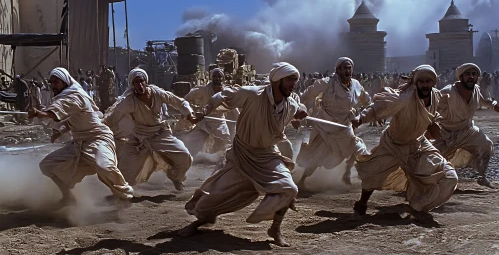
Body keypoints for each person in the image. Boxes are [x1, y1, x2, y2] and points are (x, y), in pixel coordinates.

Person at [179, 62, 307, 247]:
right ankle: (198, 222)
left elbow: (295, 111)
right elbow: (222, 95)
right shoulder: (253, 94)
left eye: (295, 80)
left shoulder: (291, 104)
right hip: (242, 155)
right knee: (212, 197)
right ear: (276, 80)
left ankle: (275, 228)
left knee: (288, 189)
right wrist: (205, 112)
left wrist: (299, 115)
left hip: (268, 156)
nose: (293, 84)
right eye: (289, 80)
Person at [352, 65, 458, 223]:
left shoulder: (436, 96)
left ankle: (417, 206)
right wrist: (361, 118)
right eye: (421, 81)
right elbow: (379, 106)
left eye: (428, 81)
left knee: (450, 177)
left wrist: (433, 124)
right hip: (393, 143)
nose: (424, 85)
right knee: (371, 175)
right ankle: (362, 203)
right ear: (416, 83)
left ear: (433, 83)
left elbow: (432, 115)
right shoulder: (404, 97)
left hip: (418, 144)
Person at [29, 67, 133, 205]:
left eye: (56, 82)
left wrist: (39, 113)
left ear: (65, 82)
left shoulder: (75, 96)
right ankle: (68, 197)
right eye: (51, 82)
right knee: (47, 165)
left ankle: (125, 195)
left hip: (99, 139)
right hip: (79, 143)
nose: (53, 86)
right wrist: (60, 132)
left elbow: (56, 113)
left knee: (104, 167)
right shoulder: (67, 96)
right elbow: (73, 119)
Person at [104, 68, 198, 191]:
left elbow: (179, 102)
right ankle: (120, 194)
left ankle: (175, 177)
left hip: (160, 135)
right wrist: (99, 128)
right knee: (125, 172)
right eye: (136, 82)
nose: (140, 85)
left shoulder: (157, 93)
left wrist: (190, 114)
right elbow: (112, 118)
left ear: (146, 81)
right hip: (139, 139)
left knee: (184, 157)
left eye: (141, 81)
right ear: (133, 85)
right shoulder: (128, 101)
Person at [295, 57, 370, 189]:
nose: (348, 70)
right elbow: (308, 94)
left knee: (356, 148)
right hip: (325, 126)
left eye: (350, 67)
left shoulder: (356, 85)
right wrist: (297, 108)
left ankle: (347, 173)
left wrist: (373, 112)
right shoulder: (327, 83)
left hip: (344, 126)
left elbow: (366, 100)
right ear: (338, 70)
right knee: (317, 156)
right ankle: (302, 180)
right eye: (345, 67)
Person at [433, 63, 498, 188]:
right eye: (467, 74)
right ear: (461, 77)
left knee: (486, 145)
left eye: (474, 74)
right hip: (446, 133)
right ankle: (428, 183)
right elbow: (432, 108)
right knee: (431, 159)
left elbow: (484, 101)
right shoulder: (448, 92)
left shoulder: (476, 90)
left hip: (468, 130)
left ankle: (482, 176)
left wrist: (494, 105)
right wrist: (431, 124)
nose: (471, 77)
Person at [183, 68, 232, 156]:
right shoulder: (203, 90)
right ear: (211, 78)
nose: (217, 78)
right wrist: (190, 111)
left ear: (222, 78)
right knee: (190, 140)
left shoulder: (226, 92)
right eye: (215, 76)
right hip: (204, 121)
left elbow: (234, 107)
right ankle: (189, 158)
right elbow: (186, 99)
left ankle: (223, 160)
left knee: (226, 142)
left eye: (219, 76)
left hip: (219, 121)